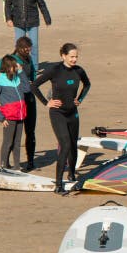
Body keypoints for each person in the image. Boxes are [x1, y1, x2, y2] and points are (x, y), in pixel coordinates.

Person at [31, 43, 90, 193]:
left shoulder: (78, 71)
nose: (74, 59)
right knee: (65, 145)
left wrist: (80, 99)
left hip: (73, 113)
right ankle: (58, 184)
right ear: (63, 56)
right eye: (71, 57)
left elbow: (87, 84)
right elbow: (34, 85)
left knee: (73, 144)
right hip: (58, 113)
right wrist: (47, 102)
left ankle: (71, 174)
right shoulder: (55, 70)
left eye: (76, 57)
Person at [0, 36, 38, 171]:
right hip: (12, 103)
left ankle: (30, 161)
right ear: (19, 48)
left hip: (27, 100)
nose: (28, 52)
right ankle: (5, 164)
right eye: (25, 50)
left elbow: (32, 76)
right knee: (10, 137)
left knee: (29, 132)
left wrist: (28, 82)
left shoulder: (29, 59)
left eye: (29, 50)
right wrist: (3, 85)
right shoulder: (9, 59)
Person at [4, 0, 52, 67]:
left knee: (34, 46)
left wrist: (47, 19)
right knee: (20, 47)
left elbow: (41, 4)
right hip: (18, 21)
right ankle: (20, 66)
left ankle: (34, 68)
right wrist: (8, 18)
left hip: (32, 22)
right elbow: (7, 4)